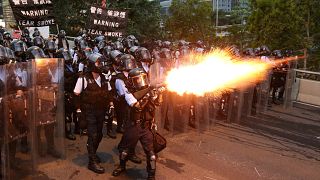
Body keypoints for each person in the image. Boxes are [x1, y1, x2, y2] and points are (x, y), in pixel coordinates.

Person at [112, 68, 164, 180]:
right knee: (125, 151)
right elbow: (137, 106)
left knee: (152, 154)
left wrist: (159, 93)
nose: (142, 82)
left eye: (143, 78)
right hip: (133, 125)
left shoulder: (148, 89)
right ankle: (122, 166)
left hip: (146, 126)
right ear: (132, 81)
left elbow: (158, 103)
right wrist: (148, 93)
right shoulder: (128, 91)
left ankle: (151, 175)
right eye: (138, 80)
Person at [73, 53, 112, 174]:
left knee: (99, 135)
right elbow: (76, 95)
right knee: (93, 135)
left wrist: (111, 105)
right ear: (91, 64)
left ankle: (93, 154)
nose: (101, 65)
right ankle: (91, 161)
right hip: (89, 111)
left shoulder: (104, 78)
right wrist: (79, 111)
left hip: (101, 111)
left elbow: (109, 93)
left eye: (101, 63)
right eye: (98, 63)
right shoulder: (83, 79)